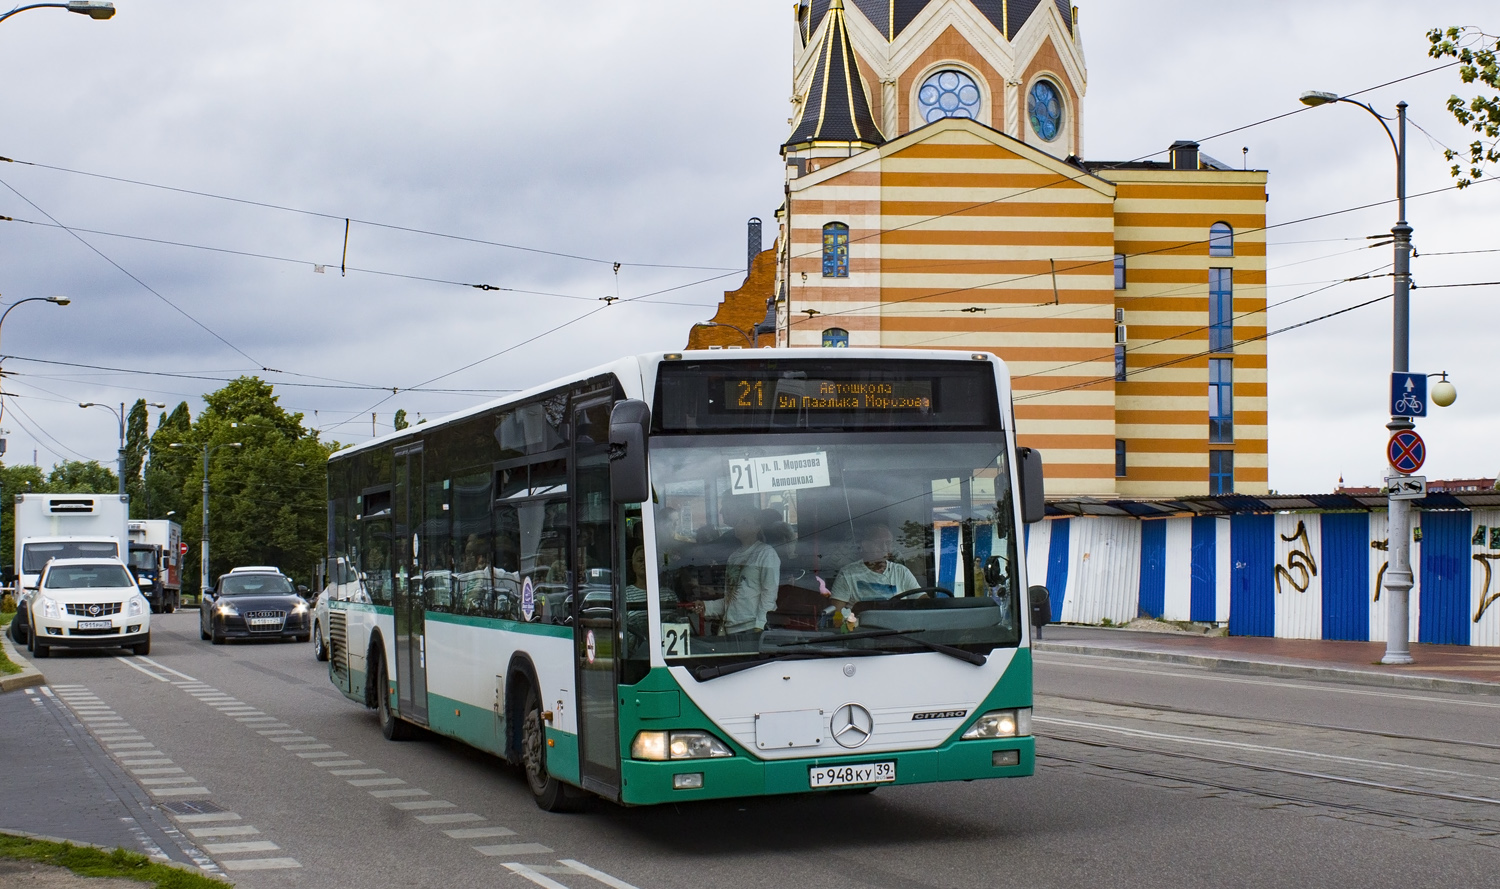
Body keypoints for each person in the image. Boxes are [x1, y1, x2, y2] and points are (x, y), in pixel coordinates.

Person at [707, 501, 780, 634]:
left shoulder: (766, 553)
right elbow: (731, 597)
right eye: (738, 521)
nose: (738, 525)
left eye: (745, 522)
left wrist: (760, 624)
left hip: (751, 627)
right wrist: (706, 607)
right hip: (731, 627)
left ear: (757, 527)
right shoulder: (733, 557)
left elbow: (769, 592)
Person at [831, 523, 919, 608]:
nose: (884, 548)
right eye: (879, 543)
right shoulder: (847, 574)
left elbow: (923, 601)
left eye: (888, 543)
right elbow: (837, 614)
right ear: (865, 545)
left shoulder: (902, 572)